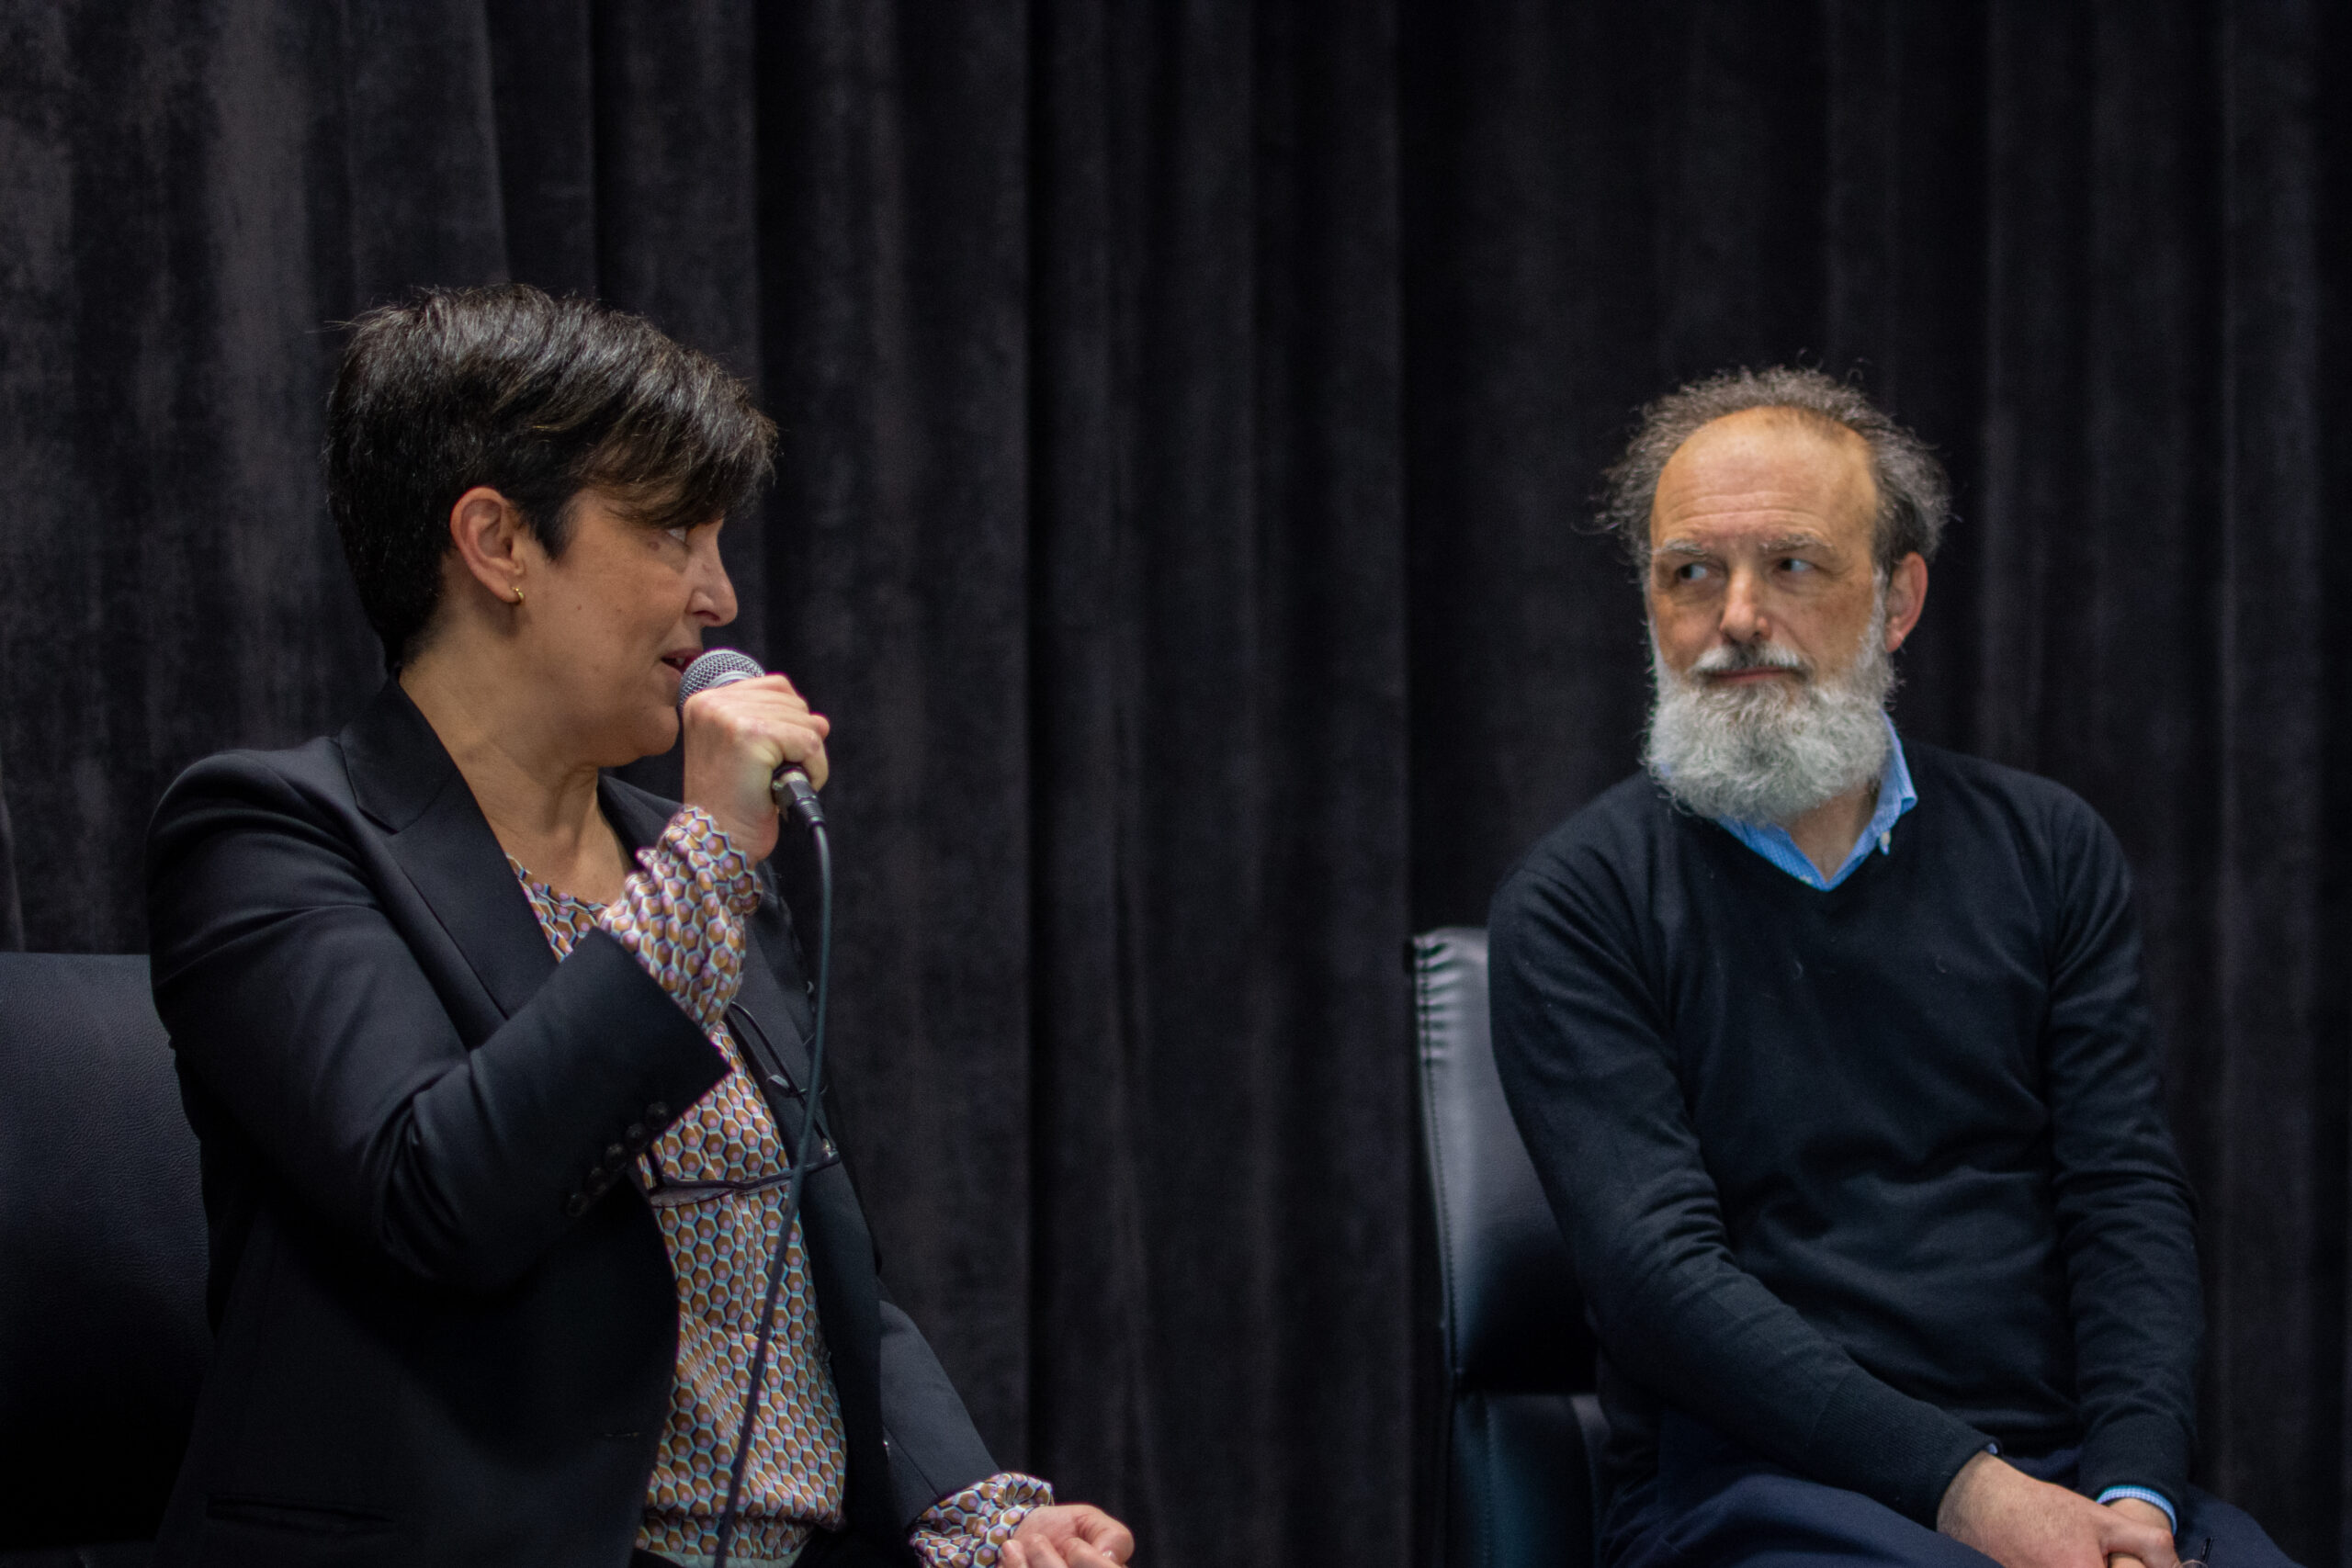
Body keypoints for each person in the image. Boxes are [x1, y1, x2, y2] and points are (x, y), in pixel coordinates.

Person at [146, 284, 1134, 1568]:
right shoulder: (269, 836)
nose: (719, 596)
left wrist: (973, 1511)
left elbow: (808, 1257)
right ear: (498, 542)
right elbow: (444, 1194)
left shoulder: (681, 859)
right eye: (673, 532)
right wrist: (707, 860)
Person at [1487, 367, 2296, 1568]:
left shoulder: (2048, 850)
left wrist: (2136, 1498)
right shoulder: (1578, 904)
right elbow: (1658, 1283)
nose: (1737, 617)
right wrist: (1976, 1499)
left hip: (2068, 1477)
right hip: (1753, 1492)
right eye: (1690, 573)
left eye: (1793, 565)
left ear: (1898, 599)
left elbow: (2122, 1200)